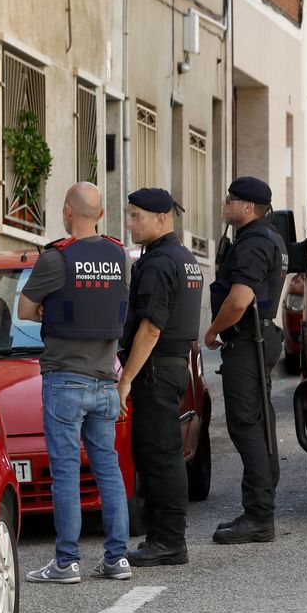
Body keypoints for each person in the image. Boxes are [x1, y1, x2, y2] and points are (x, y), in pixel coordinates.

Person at [20, 182, 133, 584]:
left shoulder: (57, 259)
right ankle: (118, 559)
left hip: (65, 380)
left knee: (66, 473)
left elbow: (25, 307)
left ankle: (67, 563)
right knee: (109, 470)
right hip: (106, 380)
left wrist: (55, 315)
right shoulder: (119, 255)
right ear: (100, 215)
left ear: (68, 212)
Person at [117, 188, 204, 567]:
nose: (130, 223)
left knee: (159, 457)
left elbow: (150, 329)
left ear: (162, 218)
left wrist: (125, 380)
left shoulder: (158, 262)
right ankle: (163, 538)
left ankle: (168, 542)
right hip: (173, 367)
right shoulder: (184, 257)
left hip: (155, 370)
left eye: (136, 215)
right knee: (161, 455)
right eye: (129, 214)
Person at [204, 176, 287, 545]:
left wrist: (211, 331)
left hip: (248, 340)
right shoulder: (269, 237)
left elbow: (238, 300)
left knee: (245, 424)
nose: (226, 204)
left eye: (231, 200)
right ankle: (259, 507)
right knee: (258, 419)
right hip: (259, 338)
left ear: (248, 207)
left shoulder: (253, 243)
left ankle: (258, 515)